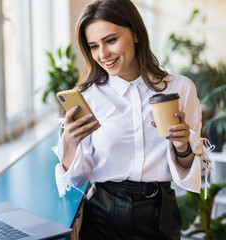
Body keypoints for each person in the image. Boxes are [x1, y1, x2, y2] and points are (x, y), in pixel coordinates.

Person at [52, 0, 212, 239]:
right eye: (93, 46)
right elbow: (77, 180)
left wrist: (182, 147)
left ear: (136, 33)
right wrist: (70, 143)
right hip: (103, 218)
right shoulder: (88, 97)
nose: (103, 54)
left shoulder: (181, 88)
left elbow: (191, 173)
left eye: (111, 40)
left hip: (161, 216)